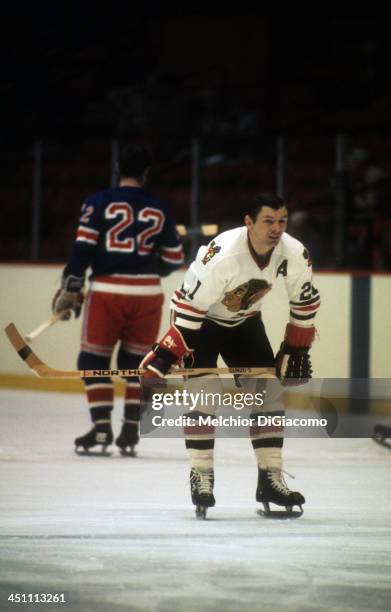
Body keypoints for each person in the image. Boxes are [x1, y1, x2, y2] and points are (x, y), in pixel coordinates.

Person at [141, 193, 320, 517]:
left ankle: (270, 478)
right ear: (248, 222)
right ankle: (202, 476)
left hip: (244, 323)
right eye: (268, 220)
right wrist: (166, 356)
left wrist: (295, 348)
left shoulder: (293, 252)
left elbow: (304, 303)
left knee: (267, 394)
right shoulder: (224, 254)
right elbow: (190, 309)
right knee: (204, 393)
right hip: (200, 323)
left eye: (282, 220)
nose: (277, 228)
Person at [52, 144, 184, 455]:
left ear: (117, 169)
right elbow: (174, 257)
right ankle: (129, 429)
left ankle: (101, 430)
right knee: (135, 364)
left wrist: (72, 284)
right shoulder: (159, 207)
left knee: (93, 361)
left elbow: (83, 248)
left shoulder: (97, 202)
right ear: (146, 172)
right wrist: (149, 270)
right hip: (148, 293)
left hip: (108, 292)